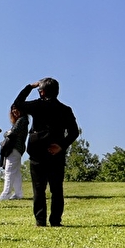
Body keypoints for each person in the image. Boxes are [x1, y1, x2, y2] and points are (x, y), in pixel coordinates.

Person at [13, 78, 80, 227]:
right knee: (57, 189)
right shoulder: (65, 109)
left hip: (37, 152)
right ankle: (55, 221)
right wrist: (61, 146)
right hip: (56, 153)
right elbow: (74, 132)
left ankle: (40, 220)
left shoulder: (37, 105)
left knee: (38, 189)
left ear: (42, 92)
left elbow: (17, 104)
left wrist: (29, 86)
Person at [0, 107, 28, 201]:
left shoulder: (22, 120)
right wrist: (8, 132)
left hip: (15, 148)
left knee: (9, 171)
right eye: (12, 109)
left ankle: (6, 193)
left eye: (16, 109)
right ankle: (18, 193)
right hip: (16, 148)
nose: (14, 111)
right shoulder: (21, 120)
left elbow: (12, 133)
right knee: (16, 172)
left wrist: (7, 133)